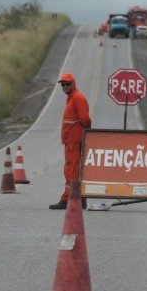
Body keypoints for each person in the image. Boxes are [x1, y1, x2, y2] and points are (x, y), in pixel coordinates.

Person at [49, 72, 92, 210]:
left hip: (74, 140)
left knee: (71, 169)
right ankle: (80, 200)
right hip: (71, 140)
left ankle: (68, 199)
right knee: (74, 169)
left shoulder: (78, 97)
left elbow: (85, 119)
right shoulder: (71, 98)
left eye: (67, 84)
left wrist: (83, 132)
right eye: (63, 84)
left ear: (73, 84)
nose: (65, 86)